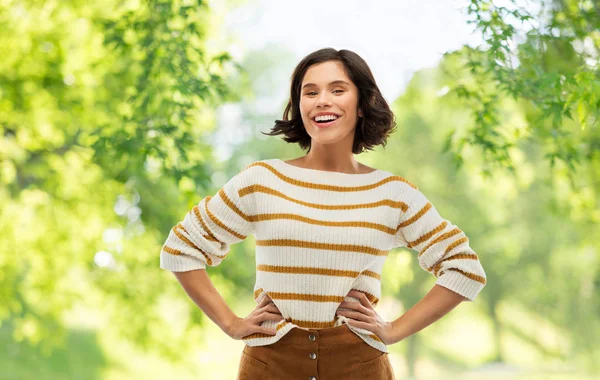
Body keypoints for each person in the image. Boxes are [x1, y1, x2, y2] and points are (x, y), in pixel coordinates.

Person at [160, 47, 487, 380]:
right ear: (299, 105)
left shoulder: (393, 194)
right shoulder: (262, 181)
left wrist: (393, 330)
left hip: (359, 366)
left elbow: (464, 268)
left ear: (362, 104)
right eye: (310, 92)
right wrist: (230, 323)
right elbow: (181, 247)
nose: (322, 100)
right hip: (270, 366)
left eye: (338, 90)